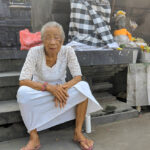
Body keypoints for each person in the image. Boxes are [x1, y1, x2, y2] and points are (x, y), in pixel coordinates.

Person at [17, 21, 102, 150]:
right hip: (41, 91)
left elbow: (77, 76)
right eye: (48, 37)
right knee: (22, 92)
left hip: (62, 92)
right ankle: (34, 138)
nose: (52, 42)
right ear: (42, 40)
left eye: (56, 38)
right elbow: (23, 80)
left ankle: (78, 133)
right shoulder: (34, 52)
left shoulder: (68, 51)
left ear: (62, 41)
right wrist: (49, 88)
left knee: (83, 86)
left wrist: (62, 88)